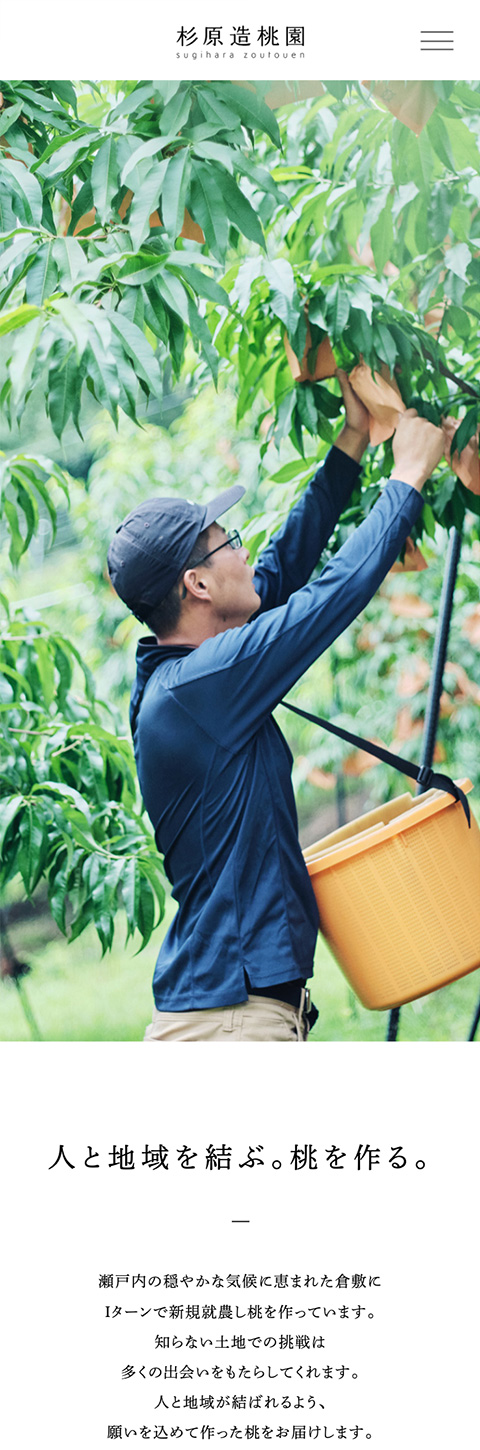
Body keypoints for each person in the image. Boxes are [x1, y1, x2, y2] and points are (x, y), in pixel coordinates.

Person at [107, 374, 444, 1042]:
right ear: (197, 584)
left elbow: (280, 573)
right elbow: (326, 600)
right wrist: (406, 475)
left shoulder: (187, 675)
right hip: (230, 1027)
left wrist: (351, 442)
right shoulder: (201, 686)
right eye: (226, 539)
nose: (243, 547)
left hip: (230, 1016)